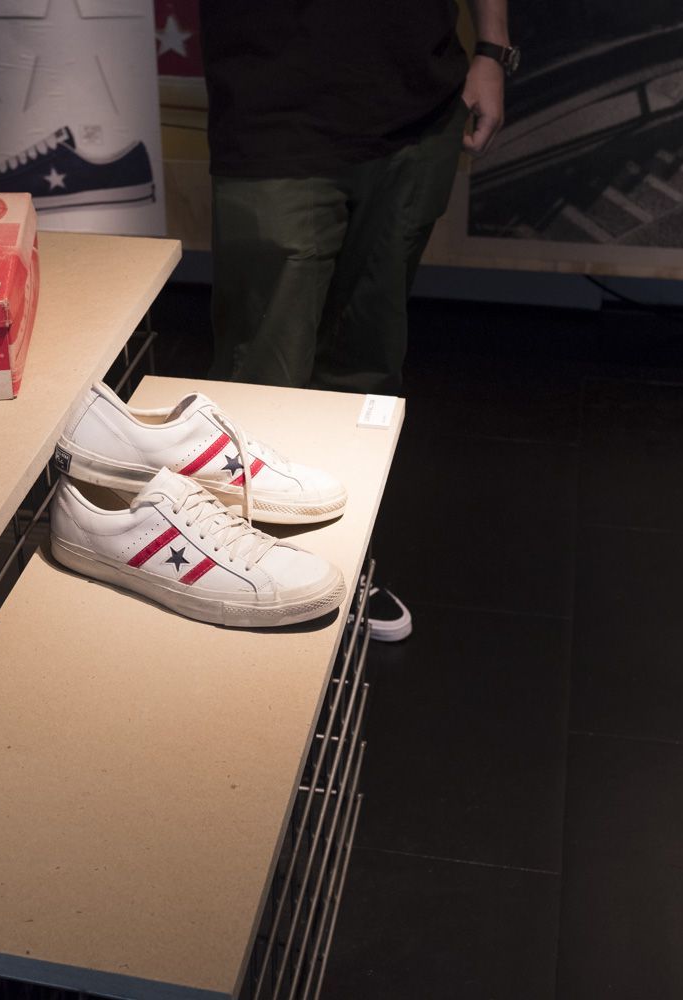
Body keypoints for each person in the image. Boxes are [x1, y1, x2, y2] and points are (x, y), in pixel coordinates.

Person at [200, 0, 513, 639]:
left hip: (416, 106)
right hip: (274, 108)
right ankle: (243, 573)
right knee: (262, 377)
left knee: (366, 373)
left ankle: (340, 566)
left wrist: (493, 49)